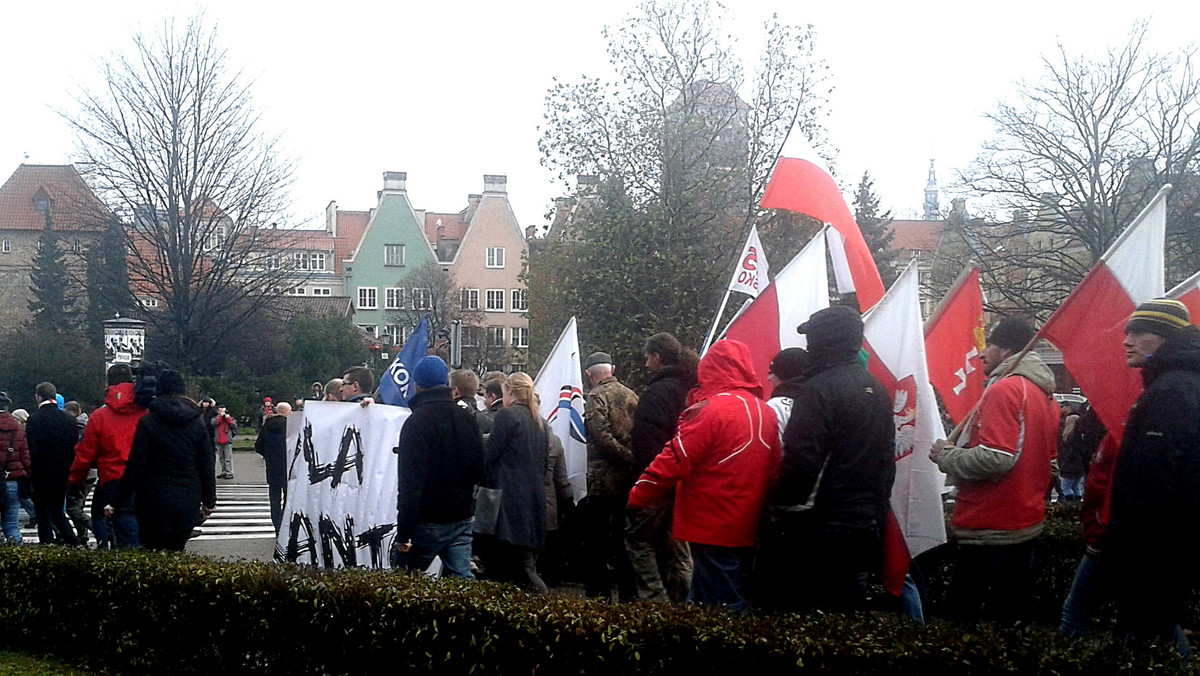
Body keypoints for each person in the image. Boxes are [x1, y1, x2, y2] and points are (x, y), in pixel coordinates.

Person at [758, 306, 895, 613]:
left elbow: (802, 462)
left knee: (796, 621)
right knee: (845, 618)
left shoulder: (817, 391)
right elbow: (886, 462)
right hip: (863, 525)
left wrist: (775, 504)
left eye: (812, 338)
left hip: (816, 528)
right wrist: (877, 515)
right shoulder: (877, 389)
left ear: (825, 341)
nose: (808, 346)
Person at [628, 339, 779, 612]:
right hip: (747, 518)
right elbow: (775, 469)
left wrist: (638, 495)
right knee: (707, 594)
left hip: (711, 518)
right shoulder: (765, 412)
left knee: (721, 603)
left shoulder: (710, 410)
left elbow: (674, 458)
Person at [930, 317, 1059, 624]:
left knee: (957, 622)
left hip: (991, 524)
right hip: (1023, 522)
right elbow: (1050, 463)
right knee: (1010, 620)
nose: (982, 354)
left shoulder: (1005, 390)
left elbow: (996, 458)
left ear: (1007, 350)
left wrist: (947, 456)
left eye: (989, 345)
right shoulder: (1045, 395)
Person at [1104, 299, 1200, 649]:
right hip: (1169, 546)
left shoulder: (1171, 391)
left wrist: (1126, 547)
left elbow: (1153, 483)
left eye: (1138, 332)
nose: (1126, 340)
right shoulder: (1179, 383)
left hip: (1155, 551)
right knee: (1160, 628)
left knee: (1143, 637)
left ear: (1164, 338)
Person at [391, 357, 485, 578]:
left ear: (417, 384)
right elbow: (480, 469)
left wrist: (404, 534)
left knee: (403, 586)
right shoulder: (467, 418)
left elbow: (410, 484)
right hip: (462, 517)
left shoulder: (416, 423)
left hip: (427, 520)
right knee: (461, 585)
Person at [108, 369, 217, 552]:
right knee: (176, 551)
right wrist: (209, 501)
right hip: (187, 500)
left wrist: (116, 501)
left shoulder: (148, 422)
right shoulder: (197, 422)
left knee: (153, 552)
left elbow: (136, 467)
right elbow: (206, 464)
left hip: (153, 501)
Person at [625, 332, 697, 603]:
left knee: (637, 539)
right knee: (678, 546)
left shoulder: (657, 392)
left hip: (658, 480)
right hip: (684, 482)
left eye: (647, 357)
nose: (645, 364)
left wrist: (642, 483)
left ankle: (655, 602)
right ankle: (686, 601)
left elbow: (646, 442)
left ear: (657, 357)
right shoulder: (690, 388)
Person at [479, 372, 550, 591]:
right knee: (525, 564)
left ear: (509, 391)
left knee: (506, 569)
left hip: (507, 503)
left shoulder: (506, 416)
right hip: (533, 502)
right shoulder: (541, 422)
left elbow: (490, 455)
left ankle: (542, 600)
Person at [69, 363, 148, 549]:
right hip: (143, 479)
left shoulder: (99, 416)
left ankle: (105, 549)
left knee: (99, 515)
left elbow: (84, 456)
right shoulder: (146, 413)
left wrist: (75, 483)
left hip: (112, 478)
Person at [581, 351, 639, 602]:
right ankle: (629, 596)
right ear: (612, 370)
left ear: (589, 375)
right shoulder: (632, 395)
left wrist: (622, 455)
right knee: (623, 541)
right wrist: (631, 458)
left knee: (596, 543)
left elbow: (599, 434)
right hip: (628, 480)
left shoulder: (595, 397)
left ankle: (599, 597)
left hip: (602, 481)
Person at [25, 381, 80, 546]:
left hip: (41, 473)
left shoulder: (34, 420)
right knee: (57, 511)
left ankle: (47, 544)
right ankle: (72, 540)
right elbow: (73, 448)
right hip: (63, 471)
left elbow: (32, 449)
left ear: (38, 397)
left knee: (42, 513)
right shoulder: (69, 420)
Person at [256, 401, 291, 536]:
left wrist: (269, 456)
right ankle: (285, 524)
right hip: (288, 468)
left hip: (272, 468)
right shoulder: (291, 426)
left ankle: (277, 525)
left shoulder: (267, 426)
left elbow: (258, 446)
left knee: (274, 499)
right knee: (288, 498)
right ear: (287, 412)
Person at [0, 393, 31, 543]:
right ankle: (18, 557)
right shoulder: (18, 429)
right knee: (11, 525)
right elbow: (25, 458)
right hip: (12, 481)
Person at [764, 347, 811, 445]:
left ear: (784, 374)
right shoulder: (820, 400)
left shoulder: (775, 407)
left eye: (772, 373)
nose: (768, 378)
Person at [212, 405, 238, 480]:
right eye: (220, 411)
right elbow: (214, 423)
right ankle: (223, 471)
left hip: (227, 440)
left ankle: (229, 472)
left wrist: (228, 418)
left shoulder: (230, 419)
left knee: (227, 458)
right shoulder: (216, 418)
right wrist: (220, 416)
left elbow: (234, 426)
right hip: (218, 440)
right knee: (221, 458)